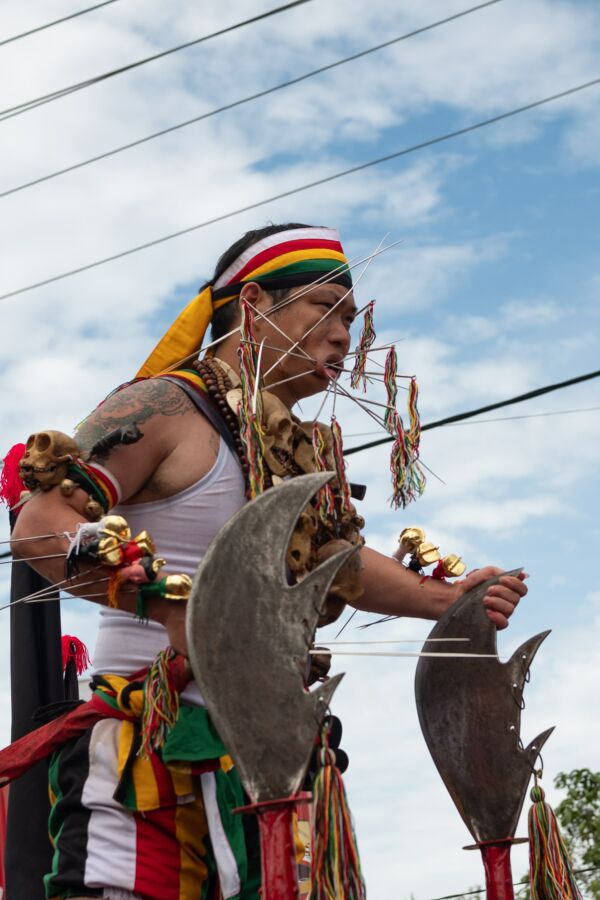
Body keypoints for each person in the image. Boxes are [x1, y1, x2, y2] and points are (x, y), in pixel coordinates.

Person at [10, 223, 527, 900]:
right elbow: (41, 524)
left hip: (280, 749)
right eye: (326, 311)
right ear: (253, 305)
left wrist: (451, 599)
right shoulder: (164, 404)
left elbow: (336, 563)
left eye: (350, 318)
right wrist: (162, 604)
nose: (345, 336)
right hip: (154, 737)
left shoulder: (296, 446)